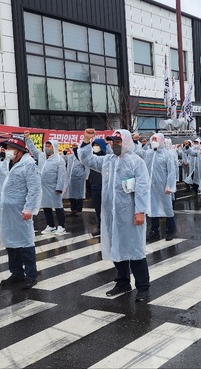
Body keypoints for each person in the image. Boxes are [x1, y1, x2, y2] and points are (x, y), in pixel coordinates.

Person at [79, 128, 151, 302]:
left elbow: (142, 188)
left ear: (126, 141)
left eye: (118, 142)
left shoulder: (136, 162)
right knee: (115, 248)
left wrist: (140, 211)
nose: (114, 145)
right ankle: (122, 282)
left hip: (130, 214)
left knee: (134, 250)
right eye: (112, 142)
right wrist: (87, 141)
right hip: (111, 215)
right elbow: (87, 159)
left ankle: (143, 287)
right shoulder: (107, 161)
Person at [0, 137, 42, 289]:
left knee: (25, 243)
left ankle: (31, 275)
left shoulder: (29, 166)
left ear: (19, 151)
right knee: (11, 243)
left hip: (21, 211)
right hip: (6, 211)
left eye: (9, 148)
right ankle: (17, 273)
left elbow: (34, 189)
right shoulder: (5, 164)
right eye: (5, 148)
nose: (6, 151)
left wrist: (29, 209)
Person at [25, 133, 67, 234]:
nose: (47, 148)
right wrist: (28, 139)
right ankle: (50, 225)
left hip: (54, 188)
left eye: (49, 146)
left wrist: (59, 188)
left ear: (54, 147)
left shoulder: (59, 160)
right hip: (42, 187)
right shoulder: (42, 156)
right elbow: (33, 150)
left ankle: (61, 226)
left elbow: (62, 175)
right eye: (46, 146)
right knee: (46, 206)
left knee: (58, 206)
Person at [142, 133, 177, 242]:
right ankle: (154, 231)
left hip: (163, 187)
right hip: (151, 186)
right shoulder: (148, 154)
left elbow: (171, 172)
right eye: (152, 140)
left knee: (167, 208)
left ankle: (170, 230)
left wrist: (170, 186)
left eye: (156, 140)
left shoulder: (167, 155)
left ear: (162, 141)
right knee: (153, 209)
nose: (154, 142)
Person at [88, 138, 107, 237]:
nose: (95, 147)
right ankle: (100, 226)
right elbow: (84, 160)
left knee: (105, 209)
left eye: (97, 145)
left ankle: (106, 227)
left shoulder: (107, 158)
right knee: (98, 209)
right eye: (94, 145)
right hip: (94, 186)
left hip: (104, 186)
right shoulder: (93, 158)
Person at [66, 143, 89, 217]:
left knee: (79, 194)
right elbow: (65, 160)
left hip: (80, 178)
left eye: (75, 147)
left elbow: (87, 167)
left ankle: (79, 209)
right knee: (72, 194)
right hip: (71, 178)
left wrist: (86, 176)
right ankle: (73, 209)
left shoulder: (81, 157)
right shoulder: (71, 156)